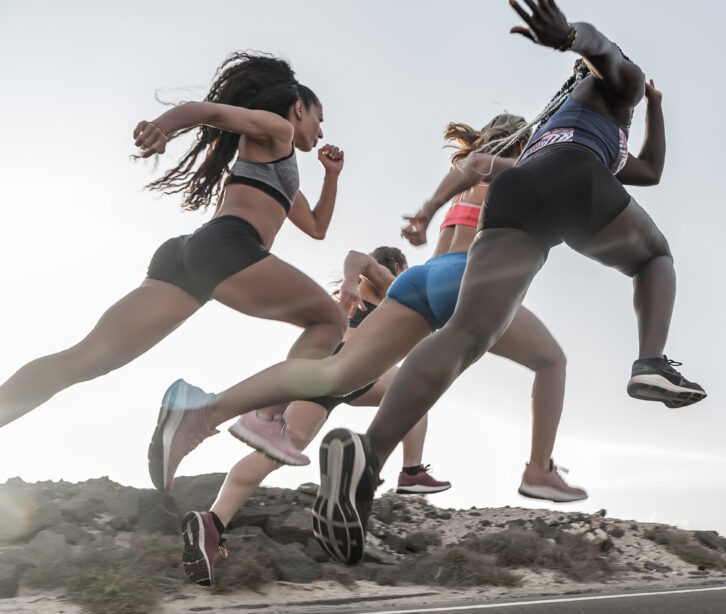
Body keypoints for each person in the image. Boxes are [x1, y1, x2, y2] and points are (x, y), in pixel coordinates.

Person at [317, 0, 706, 560]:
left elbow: (649, 170)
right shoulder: (625, 82)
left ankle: (367, 459)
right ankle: (651, 364)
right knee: (654, 257)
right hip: (575, 182)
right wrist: (573, 37)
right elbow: (601, 46)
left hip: (521, 192)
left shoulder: (571, 123)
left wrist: (657, 111)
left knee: (464, 336)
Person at [157, 112, 583, 565]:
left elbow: (470, 167)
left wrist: (424, 213)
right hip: (469, 279)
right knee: (548, 361)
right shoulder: (515, 172)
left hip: (421, 279)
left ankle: (204, 410)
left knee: (335, 374)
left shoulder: (473, 178)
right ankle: (535, 468)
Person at [0, 52, 348, 490]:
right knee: (331, 321)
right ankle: (265, 417)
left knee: (84, 360)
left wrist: (331, 176)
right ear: (299, 107)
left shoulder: (281, 162)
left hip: (188, 257)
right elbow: (212, 112)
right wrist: (164, 127)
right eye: (319, 117)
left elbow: (316, 228)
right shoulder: (277, 129)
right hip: (228, 248)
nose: (321, 130)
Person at [180, 246, 449, 586]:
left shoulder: (369, 293)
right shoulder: (391, 281)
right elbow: (357, 255)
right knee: (415, 390)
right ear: (396, 264)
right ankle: (409, 471)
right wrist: (354, 279)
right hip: (351, 362)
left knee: (278, 449)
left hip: (326, 367)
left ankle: (212, 523)